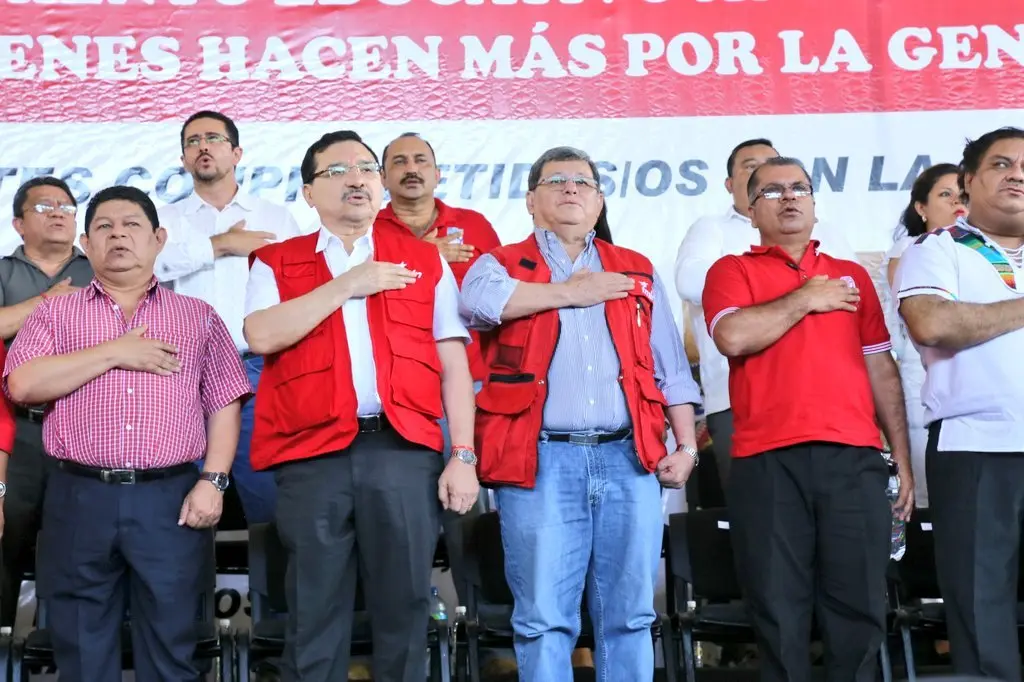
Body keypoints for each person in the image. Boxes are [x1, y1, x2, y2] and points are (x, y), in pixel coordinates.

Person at [243, 130, 479, 682]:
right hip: (312, 456)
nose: (356, 179)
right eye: (337, 171)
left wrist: (463, 453)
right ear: (307, 192)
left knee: (404, 609)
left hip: (401, 451)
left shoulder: (423, 260)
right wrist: (349, 283)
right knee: (314, 612)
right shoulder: (276, 261)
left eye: (367, 169)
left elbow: (453, 361)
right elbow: (261, 335)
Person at [460, 146, 702, 682]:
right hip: (541, 459)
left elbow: (671, 370)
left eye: (583, 183)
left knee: (631, 616)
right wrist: (572, 292)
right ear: (530, 199)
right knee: (544, 619)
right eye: (556, 181)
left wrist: (685, 447)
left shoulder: (635, 269)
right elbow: (478, 307)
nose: (571, 189)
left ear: (598, 203)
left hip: (629, 458)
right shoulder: (498, 263)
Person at [3, 185, 250, 682]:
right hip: (78, 495)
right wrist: (115, 352)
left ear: (158, 239)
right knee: (81, 647)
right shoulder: (55, 313)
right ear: (87, 245)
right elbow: (23, 384)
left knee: (172, 645)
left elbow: (224, 401)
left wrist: (214, 480)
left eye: (132, 225)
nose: (118, 235)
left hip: (172, 498)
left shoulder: (195, 316)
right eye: (104, 228)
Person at [703, 156, 913, 682]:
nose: (790, 197)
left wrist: (902, 461)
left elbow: (881, 370)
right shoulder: (732, 270)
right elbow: (733, 336)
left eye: (800, 188)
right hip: (767, 460)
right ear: (751, 211)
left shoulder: (851, 277)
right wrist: (807, 297)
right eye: (772, 192)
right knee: (778, 610)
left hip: (856, 458)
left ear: (815, 204)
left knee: (860, 608)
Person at [894, 127, 1024, 681]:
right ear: (968, 182)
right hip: (977, 445)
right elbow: (933, 322)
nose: (1018, 174)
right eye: (1002, 164)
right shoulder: (937, 248)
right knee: (980, 601)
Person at [674, 138, 856, 493]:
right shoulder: (711, 228)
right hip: (739, 397)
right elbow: (692, 282)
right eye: (750, 166)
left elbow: (848, 294)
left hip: (831, 397)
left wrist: (755, 295)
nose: (764, 172)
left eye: (774, 166)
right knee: (763, 517)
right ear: (731, 185)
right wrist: (801, 293)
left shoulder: (826, 231)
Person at [156, 110, 305, 525]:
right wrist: (220, 244)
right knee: (182, 498)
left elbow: (298, 293)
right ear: (183, 159)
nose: (203, 147)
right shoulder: (164, 220)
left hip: (260, 369)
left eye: (214, 139)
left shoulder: (275, 218)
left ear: (236, 152)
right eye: (192, 141)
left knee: (269, 497)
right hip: (183, 371)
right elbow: (147, 270)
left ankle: (275, 590)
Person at [0, 177, 94, 626]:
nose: (58, 212)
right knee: (5, 544)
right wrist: (47, 302)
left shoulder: (101, 269)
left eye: (67, 206)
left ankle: (66, 654)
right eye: (44, 207)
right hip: (15, 433)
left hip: (85, 431)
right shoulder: (3, 272)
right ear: (19, 223)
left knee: (76, 549)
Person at [882, 163, 965, 509]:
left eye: (963, 195)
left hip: (971, 383)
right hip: (921, 377)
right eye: (945, 194)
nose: (956, 203)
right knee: (926, 492)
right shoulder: (909, 249)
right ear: (921, 207)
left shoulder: (982, 249)